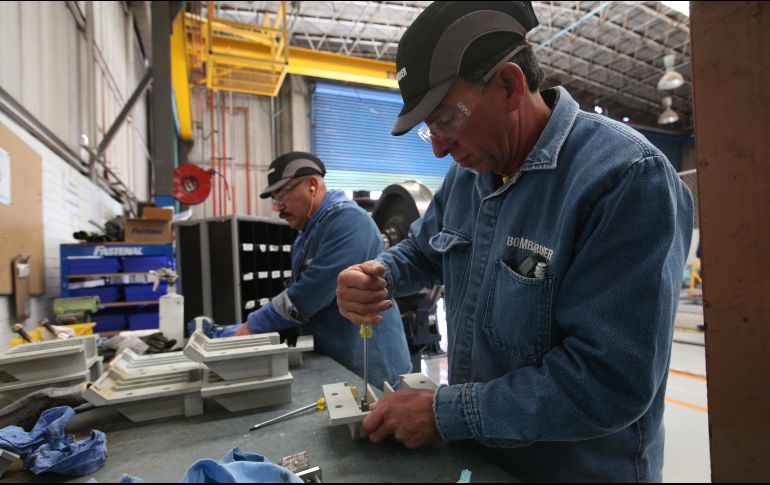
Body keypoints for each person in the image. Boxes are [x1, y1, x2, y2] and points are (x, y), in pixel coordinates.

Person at [336, 1, 694, 482]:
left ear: (509, 86)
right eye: (429, 131)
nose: (439, 146)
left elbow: (610, 383)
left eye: (446, 118)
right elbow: (423, 250)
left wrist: (447, 414)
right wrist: (380, 274)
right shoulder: (471, 174)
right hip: (486, 460)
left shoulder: (625, 179)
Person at [235, 151, 411, 388]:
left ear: (312, 185)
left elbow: (310, 293)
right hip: (339, 363)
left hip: (371, 367)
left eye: (283, 195)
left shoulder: (348, 221)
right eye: (274, 200)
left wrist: (252, 326)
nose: (278, 207)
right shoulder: (307, 232)